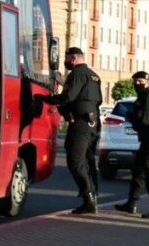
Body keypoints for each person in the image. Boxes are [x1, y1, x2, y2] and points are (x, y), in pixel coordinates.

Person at [38, 47, 102, 214]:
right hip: (93, 121)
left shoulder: (77, 74)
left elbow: (68, 97)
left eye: (67, 59)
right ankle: (93, 195)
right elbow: (97, 100)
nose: (66, 62)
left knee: (75, 161)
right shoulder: (94, 75)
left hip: (81, 122)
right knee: (87, 161)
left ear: (73, 58)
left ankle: (89, 199)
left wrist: (48, 98)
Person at [115, 71, 149, 219]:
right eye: (135, 82)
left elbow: (144, 120)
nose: (137, 85)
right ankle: (131, 203)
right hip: (147, 139)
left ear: (148, 82)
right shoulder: (143, 96)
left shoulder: (148, 97)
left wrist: (129, 115)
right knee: (138, 171)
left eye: (141, 82)